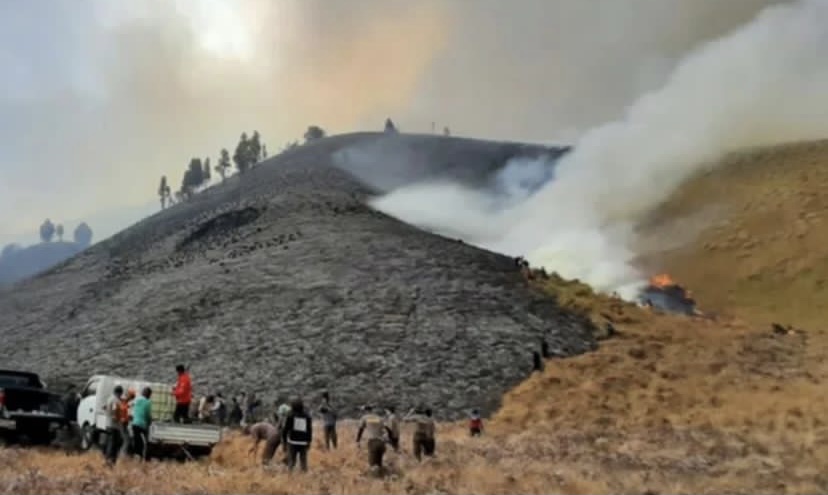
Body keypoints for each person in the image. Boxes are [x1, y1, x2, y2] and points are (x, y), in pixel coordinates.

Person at [281, 399, 312, 472]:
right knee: (303, 462)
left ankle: (290, 477)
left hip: (292, 441)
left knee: (291, 461)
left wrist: (284, 441)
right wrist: (309, 441)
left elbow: (285, 429)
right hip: (303, 442)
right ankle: (304, 477)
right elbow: (309, 430)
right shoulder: (307, 416)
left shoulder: (290, 416)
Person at [356, 405, 390, 470]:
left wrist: (357, 440)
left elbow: (360, 429)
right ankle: (382, 477)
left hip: (373, 442)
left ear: (366, 411)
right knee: (379, 463)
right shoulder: (379, 418)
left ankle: (375, 478)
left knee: (373, 465)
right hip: (381, 442)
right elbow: (387, 429)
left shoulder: (365, 418)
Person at [104, 386, 126, 466]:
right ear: (120, 393)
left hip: (108, 424)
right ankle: (110, 461)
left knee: (110, 443)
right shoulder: (115, 400)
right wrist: (118, 418)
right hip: (114, 426)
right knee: (113, 444)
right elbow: (114, 410)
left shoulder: (110, 398)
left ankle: (108, 459)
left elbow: (106, 408)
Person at [131, 387, 153, 461]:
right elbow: (147, 414)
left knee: (137, 440)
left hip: (134, 423)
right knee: (146, 442)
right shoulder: (148, 402)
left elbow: (132, 408)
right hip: (142, 424)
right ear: (149, 395)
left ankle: (136, 455)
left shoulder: (137, 400)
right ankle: (145, 457)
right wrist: (150, 421)